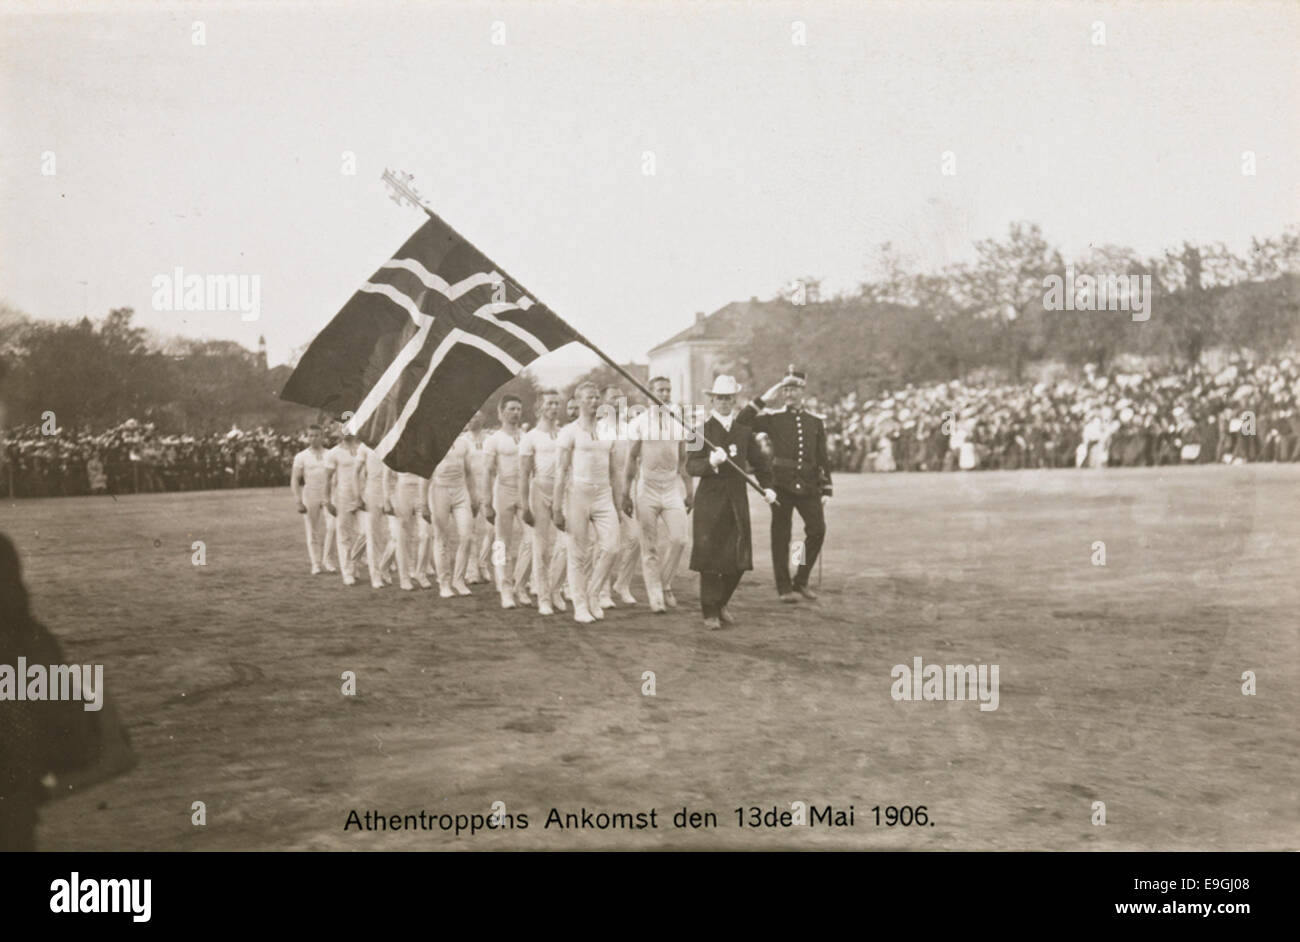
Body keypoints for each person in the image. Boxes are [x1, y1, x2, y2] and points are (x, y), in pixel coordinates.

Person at [687, 375, 775, 630]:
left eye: (729, 398)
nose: (724, 403)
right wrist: (711, 463)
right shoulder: (699, 432)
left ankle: (722, 601)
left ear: (735, 401)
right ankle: (709, 611)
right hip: (709, 502)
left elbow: (761, 464)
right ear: (712, 400)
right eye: (720, 398)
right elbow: (690, 466)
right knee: (710, 558)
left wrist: (768, 488)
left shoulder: (744, 432)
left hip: (736, 500)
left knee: (738, 557)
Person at [747, 366, 832, 602]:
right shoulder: (773, 418)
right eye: (785, 389)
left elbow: (822, 456)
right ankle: (784, 587)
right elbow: (743, 421)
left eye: (794, 389)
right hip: (781, 484)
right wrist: (763, 399)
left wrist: (827, 487)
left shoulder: (815, 421)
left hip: (808, 484)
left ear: (803, 391)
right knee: (782, 534)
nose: (789, 394)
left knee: (816, 531)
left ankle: (801, 578)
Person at [622, 376, 692, 613]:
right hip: (647, 489)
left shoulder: (679, 421)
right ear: (648, 394)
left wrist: (689, 491)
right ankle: (655, 597)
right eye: (660, 390)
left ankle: (665, 583)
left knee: (680, 539)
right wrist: (625, 492)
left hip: (671, 488)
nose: (665, 394)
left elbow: (683, 461)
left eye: (668, 390)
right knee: (649, 547)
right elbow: (631, 458)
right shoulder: (640, 422)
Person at [553, 381, 621, 624]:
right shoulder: (569, 432)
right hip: (577, 494)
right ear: (579, 401)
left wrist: (618, 501)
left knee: (612, 547)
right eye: (589, 398)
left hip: (603, 493)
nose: (594, 401)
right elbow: (561, 471)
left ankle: (593, 593)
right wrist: (556, 507)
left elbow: (615, 471)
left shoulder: (607, 430)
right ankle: (580, 605)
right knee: (577, 553)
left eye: (596, 397)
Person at [519, 390, 568, 615]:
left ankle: (556, 589)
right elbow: (524, 473)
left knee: (569, 544)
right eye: (549, 404)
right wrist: (524, 504)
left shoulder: (565, 433)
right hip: (540, 489)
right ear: (539, 408)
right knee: (541, 547)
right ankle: (543, 597)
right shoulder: (530, 437)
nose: (554, 408)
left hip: (564, 491)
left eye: (557, 404)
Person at [484, 396, 532, 608]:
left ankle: (520, 585)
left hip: (525, 492)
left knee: (532, 541)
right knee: (502, 542)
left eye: (519, 409)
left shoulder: (527, 437)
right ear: (501, 412)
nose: (515, 413)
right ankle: (505, 588)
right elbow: (487, 471)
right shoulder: (493, 439)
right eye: (511, 409)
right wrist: (486, 501)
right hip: (503, 490)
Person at [430, 428, 478, 598]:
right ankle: (444, 582)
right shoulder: (431, 442)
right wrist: (423, 500)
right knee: (441, 537)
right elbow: (424, 473)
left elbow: (469, 473)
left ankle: (459, 580)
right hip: (439, 490)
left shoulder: (463, 443)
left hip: (460, 490)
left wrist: (474, 496)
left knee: (467, 535)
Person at [291, 425, 338, 575]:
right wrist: (298, 500)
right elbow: (295, 479)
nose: (313, 438)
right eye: (310, 435)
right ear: (307, 437)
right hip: (310, 493)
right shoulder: (301, 456)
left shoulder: (331, 454)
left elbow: (336, 477)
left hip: (328, 493)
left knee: (333, 526)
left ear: (322, 436)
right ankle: (316, 563)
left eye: (317, 435)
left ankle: (328, 560)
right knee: (312, 530)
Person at [324, 427, 366, 586]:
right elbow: (327, 478)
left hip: (362, 496)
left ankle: (353, 561)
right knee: (344, 536)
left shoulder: (363, 449)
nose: (348, 431)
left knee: (366, 532)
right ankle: (348, 572)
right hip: (342, 498)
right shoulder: (333, 453)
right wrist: (327, 500)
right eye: (345, 427)